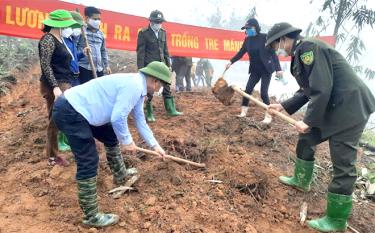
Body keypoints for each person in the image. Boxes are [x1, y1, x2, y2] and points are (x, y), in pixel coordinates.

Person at [266, 22, 375, 232]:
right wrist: (283, 105)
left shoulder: (308, 48)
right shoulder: (301, 53)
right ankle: (300, 180)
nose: (275, 50)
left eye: (274, 46)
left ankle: (336, 221)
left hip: (350, 106)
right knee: (307, 138)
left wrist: (307, 121)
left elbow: (321, 89)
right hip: (335, 104)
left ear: (282, 39)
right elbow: (308, 90)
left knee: (342, 160)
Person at [52, 61, 169, 227]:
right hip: (71, 111)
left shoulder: (139, 87)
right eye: (161, 86)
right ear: (155, 81)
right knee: (89, 160)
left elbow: (140, 120)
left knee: (110, 135)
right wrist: (127, 141)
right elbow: (117, 117)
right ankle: (91, 217)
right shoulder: (134, 85)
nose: (159, 90)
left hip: (83, 111)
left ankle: (120, 175)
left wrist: (155, 146)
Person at [38, 9, 80, 166]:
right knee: (54, 119)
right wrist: (55, 87)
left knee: (61, 117)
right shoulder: (48, 39)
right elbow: (46, 65)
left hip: (65, 82)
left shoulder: (60, 38)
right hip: (54, 84)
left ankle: (57, 152)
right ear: (59, 24)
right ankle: (52, 157)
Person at [226, 18, 283, 124]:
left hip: (266, 69)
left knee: (263, 93)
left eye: (248, 28)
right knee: (247, 90)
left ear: (255, 27)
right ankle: (243, 112)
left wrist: (278, 69)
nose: (246, 31)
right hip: (255, 70)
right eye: (245, 29)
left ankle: (268, 115)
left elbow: (273, 54)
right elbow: (241, 53)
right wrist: (231, 61)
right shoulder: (247, 40)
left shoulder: (265, 37)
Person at [137, 10, 183, 122]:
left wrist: (168, 65)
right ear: (151, 21)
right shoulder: (143, 33)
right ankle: (149, 113)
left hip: (162, 66)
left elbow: (165, 50)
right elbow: (140, 52)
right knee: (150, 90)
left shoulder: (163, 32)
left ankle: (170, 109)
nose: (159, 24)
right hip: (150, 68)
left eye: (160, 22)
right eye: (157, 22)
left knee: (167, 86)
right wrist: (141, 69)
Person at [57, 11, 86, 152]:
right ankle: (60, 139)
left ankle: (69, 136)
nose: (78, 30)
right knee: (64, 107)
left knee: (75, 105)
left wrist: (82, 53)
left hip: (76, 76)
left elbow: (74, 58)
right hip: (65, 78)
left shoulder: (71, 40)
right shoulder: (60, 41)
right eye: (76, 26)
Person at [77, 6, 111, 84]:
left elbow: (103, 51)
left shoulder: (101, 34)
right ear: (87, 18)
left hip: (99, 69)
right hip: (84, 69)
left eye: (99, 19)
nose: (98, 21)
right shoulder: (80, 31)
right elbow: (74, 49)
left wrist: (106, 66)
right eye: (95, 19)